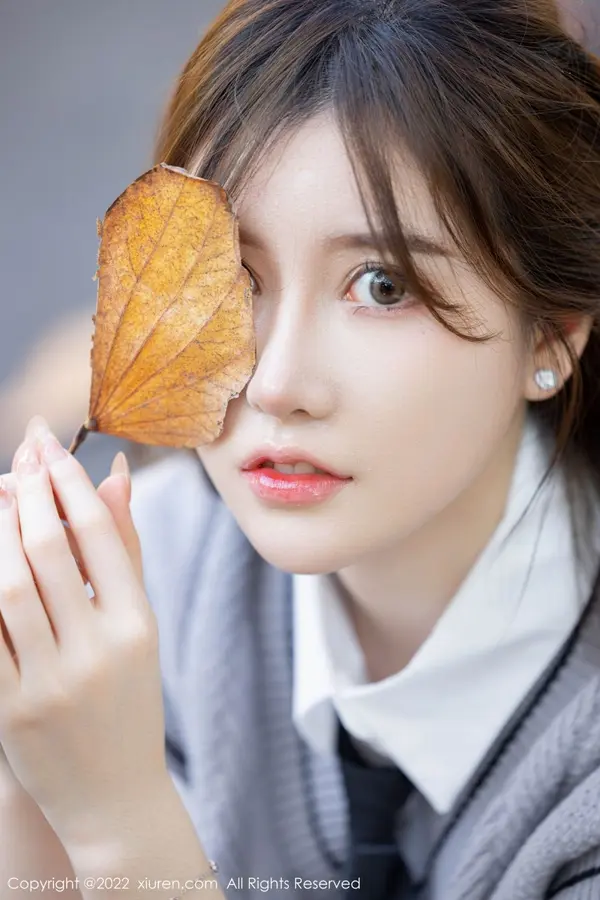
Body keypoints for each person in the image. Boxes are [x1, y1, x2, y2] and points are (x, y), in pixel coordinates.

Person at [2, 1, 600, 898]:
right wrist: (27, 760)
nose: (276, 383)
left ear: (551, 334)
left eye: (382, 285)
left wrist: (117, 822)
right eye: (230, 276)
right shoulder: (151, 581)